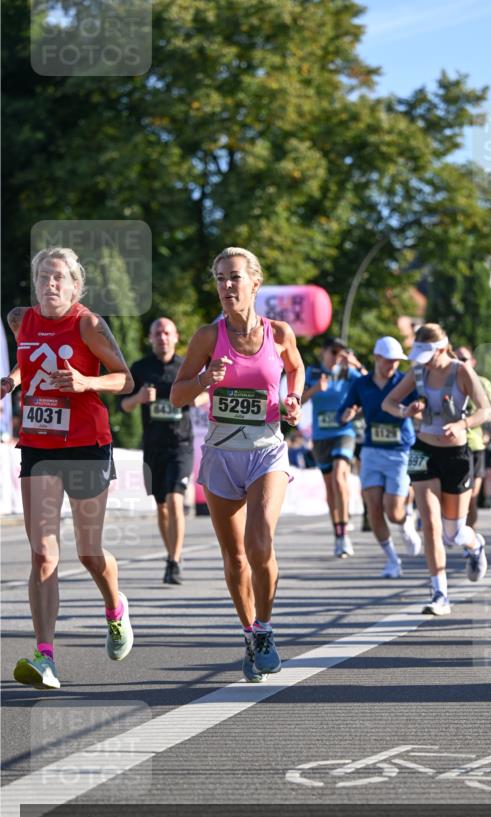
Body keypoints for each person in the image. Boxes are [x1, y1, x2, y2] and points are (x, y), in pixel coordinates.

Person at [2, 247, 134, 689]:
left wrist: (86, 382)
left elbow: (125, 379)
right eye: (43, 276)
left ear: (75, 286)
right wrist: (12, 381)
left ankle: (115, 608)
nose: (50, 284)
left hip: (85, 444)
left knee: (89, 553)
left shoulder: (89, 325)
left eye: (59, 277)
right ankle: (45, 656)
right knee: (42, 552)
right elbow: (30, 358)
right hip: (39, 445)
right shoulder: (20, 319)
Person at [170, 246, 304, 683]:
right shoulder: (208, 337)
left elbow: (296, 370)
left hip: (267, 448)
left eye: (235, 277)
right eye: (221, 279)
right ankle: (248, 631)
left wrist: (293, 399)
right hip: (223, 454)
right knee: (235, 558)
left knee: (261, 541)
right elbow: (177, 395)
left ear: (255, 283)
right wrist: (204, 380)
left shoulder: (280, 333)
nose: (227, 286)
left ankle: (264, 630)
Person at [382, 324, 491, 616]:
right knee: (430, 523)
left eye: (428, 355)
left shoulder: (461, 371)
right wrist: (406, 411)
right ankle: (440, 593)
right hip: (423, 450)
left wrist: (461, 424)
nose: (424, 362)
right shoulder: (418, 372)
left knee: (453, 532)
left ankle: (475, 544)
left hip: (456, 454)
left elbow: (486, 410)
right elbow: (388, 402)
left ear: (442, 349)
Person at [121, 317, 203, 584]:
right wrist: (139, 398)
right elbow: (125, 405)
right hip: (153, 447)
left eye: (167, 333)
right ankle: (170, 554)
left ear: (176, 337)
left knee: (175, 499)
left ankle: (174, 561)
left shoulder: (186, 366)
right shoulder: (141, 368)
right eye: (157, 333)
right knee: (162, 507)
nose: (162, 337)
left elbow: (205, 393)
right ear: (150, 338)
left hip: (181, 446)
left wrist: (192, 397)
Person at [338, 336, 422, 578]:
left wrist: (416, 411)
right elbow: (344, 410)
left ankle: (405, 522)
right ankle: (392, 560)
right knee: (373, 507)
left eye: (397, 362)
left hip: (400, 451)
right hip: (372, 450)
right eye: (388, 361)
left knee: (393, 510)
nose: (393, 366)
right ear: (377, 358)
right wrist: (346, 414)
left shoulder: (404, 382)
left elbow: (421, 406)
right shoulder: (361, 384)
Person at [302, 336, 365, 558]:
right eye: (333, 353)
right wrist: (315, 390)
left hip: (344, 432)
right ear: (324, 352)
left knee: (340, 477)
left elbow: (371, 387)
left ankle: (345, 530)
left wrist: (358, 365)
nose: (337, 357)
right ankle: (338, 534)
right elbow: (297, 400)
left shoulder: (349, 373)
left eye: (341, 353)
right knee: (330, 487)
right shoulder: (312, 373)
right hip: (321, 437)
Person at [454, 346, 491, 533]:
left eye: (464, 359)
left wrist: (478, 417)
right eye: (457, 359)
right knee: (454, 495)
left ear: (473, 362)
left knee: (472, 497)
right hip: (450, 444)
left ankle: (470, 536)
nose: (461, 363)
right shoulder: (447, 381)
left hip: (474, 444)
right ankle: (455, 530)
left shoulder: (482, 382)